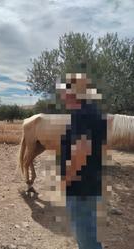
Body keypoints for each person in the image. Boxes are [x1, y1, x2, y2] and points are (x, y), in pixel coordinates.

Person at [56, 72, 106, 249]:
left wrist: (66, 179)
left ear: (72, 92)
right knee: (88, 231)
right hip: (91, 183)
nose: (62, 96)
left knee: (85, 236)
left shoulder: (81, 114)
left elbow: (81, 150)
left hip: (80, 187)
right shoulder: (94, 111)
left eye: (64, 92)